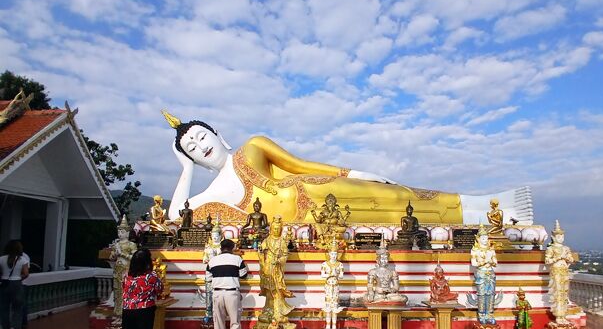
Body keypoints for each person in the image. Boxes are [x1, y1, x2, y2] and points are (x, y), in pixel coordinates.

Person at [162, 111, 534, 225]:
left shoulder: (252, 147)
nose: (200, 146)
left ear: (217, 133)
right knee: (395, 220)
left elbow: (301, 165)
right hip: (316, 226)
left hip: (325, 189)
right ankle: (485, 215)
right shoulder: (207, 195)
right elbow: (175, 217)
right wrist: (184, 170)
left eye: (199, 136)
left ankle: (485, 205)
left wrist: (353, 173)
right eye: (191, 148)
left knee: (398, 197)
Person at [121, 248, 163, 329]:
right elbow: (159, 289)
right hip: (144, 311)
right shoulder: (151, 276)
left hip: (128, 311)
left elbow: (124, 288)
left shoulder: (126, 275)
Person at [208, 238, 249, 329]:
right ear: (232, 248)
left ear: (221, 248)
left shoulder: (212, 260)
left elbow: (208, 278)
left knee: (218, 325)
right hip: (232, 293)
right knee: (235, 324)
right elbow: (244, 274)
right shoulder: (237, 259)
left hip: (217, 293)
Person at [468, 225, 499, 324]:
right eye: (483, 238)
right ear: (478, 239)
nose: (485, 240)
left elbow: (495, 262)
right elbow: (474, 263)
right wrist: (486, 260)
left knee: (491, 294)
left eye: (486, 238)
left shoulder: (491, 249)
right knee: (481, 295)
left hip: (490, 273)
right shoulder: (475, 250)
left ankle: (490, 314)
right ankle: (481, 314)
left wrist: (490, 260)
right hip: (481, 273)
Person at [0, 240, 29, 329]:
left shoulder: (1, 259)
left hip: (4, 283)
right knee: (17, 307)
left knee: (4, 308)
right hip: (16, 284)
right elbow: (26, 274)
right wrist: (18, 278)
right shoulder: (22, 260)